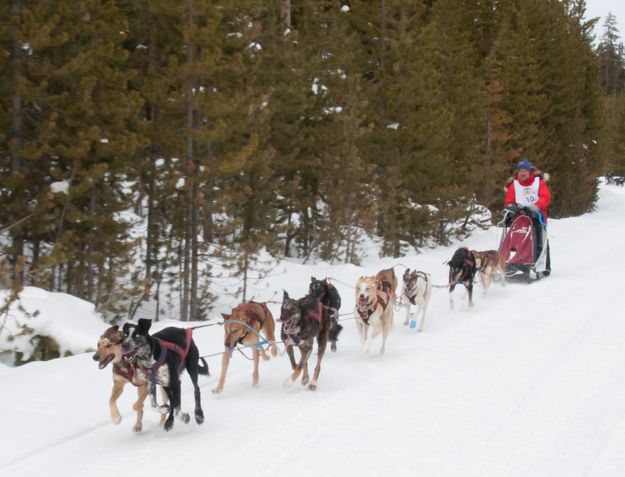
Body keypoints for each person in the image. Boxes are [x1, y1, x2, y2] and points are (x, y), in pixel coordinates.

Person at [503, 158, 552, 275]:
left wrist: (536, 206)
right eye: (520, 171)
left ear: (529, 171)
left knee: (535, 234)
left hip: (536, 215)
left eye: (525, 170)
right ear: (517, 172)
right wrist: (510, 208)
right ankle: (507, 259)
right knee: (515, 234)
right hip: (519, 216)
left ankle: (541, 265)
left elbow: (545, 197)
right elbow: (508, 201)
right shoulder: (514, 185)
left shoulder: (539, 182)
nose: (522, 173)